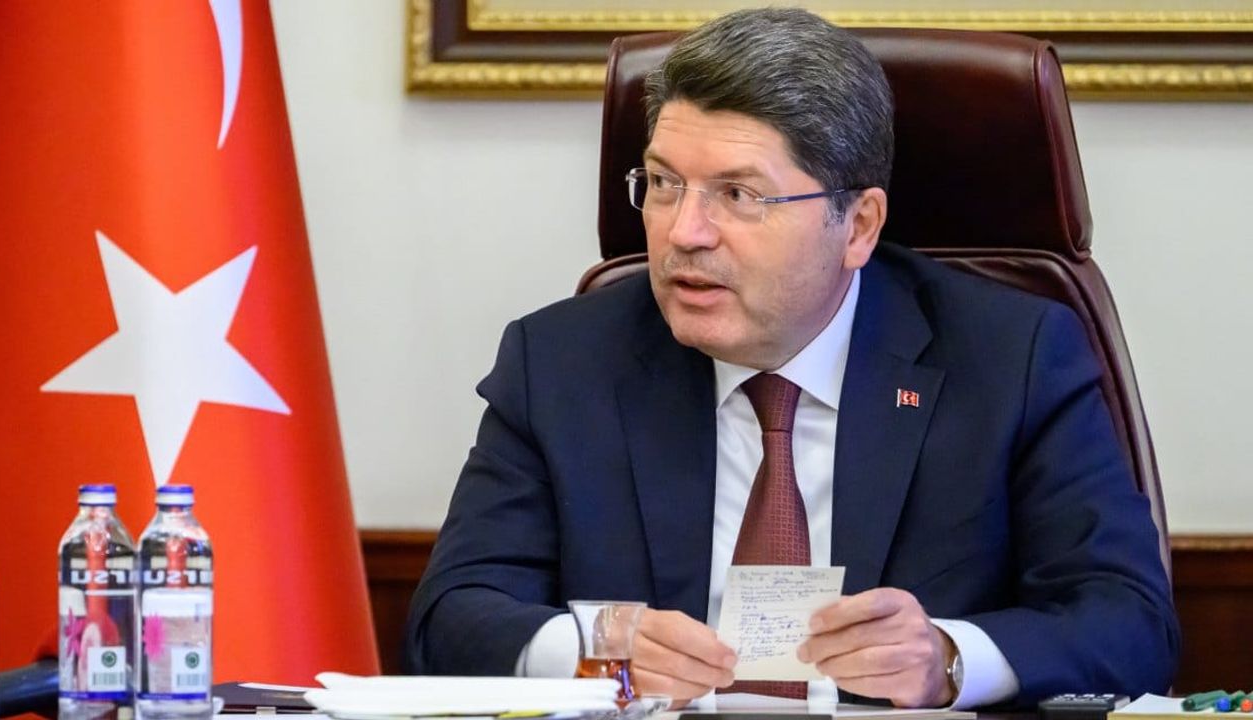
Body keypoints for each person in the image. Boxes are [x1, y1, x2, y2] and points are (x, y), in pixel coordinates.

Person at [404, 7, 1178, 710]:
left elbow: (1129, 621)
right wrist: (593, 647)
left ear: (858, 226)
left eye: (739, 195)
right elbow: (451, 617)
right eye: (665, 183)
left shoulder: (1011, 359)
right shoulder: (562, 363)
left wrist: (945, 659)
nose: (684, 233)